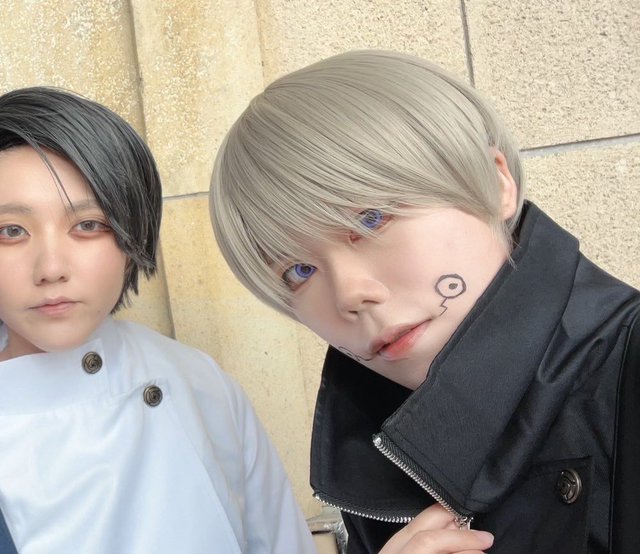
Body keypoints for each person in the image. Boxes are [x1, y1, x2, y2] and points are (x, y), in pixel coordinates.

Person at [208, 50, 640, 553]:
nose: (350, 294)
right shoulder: (372, 456)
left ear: (495, 183)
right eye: (298, 271)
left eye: (372, 218)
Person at [0, 87, 313, 553]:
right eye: (11, 231)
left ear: (131, 236)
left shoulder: (201, 384)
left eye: (88, 225)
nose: (51, 268)